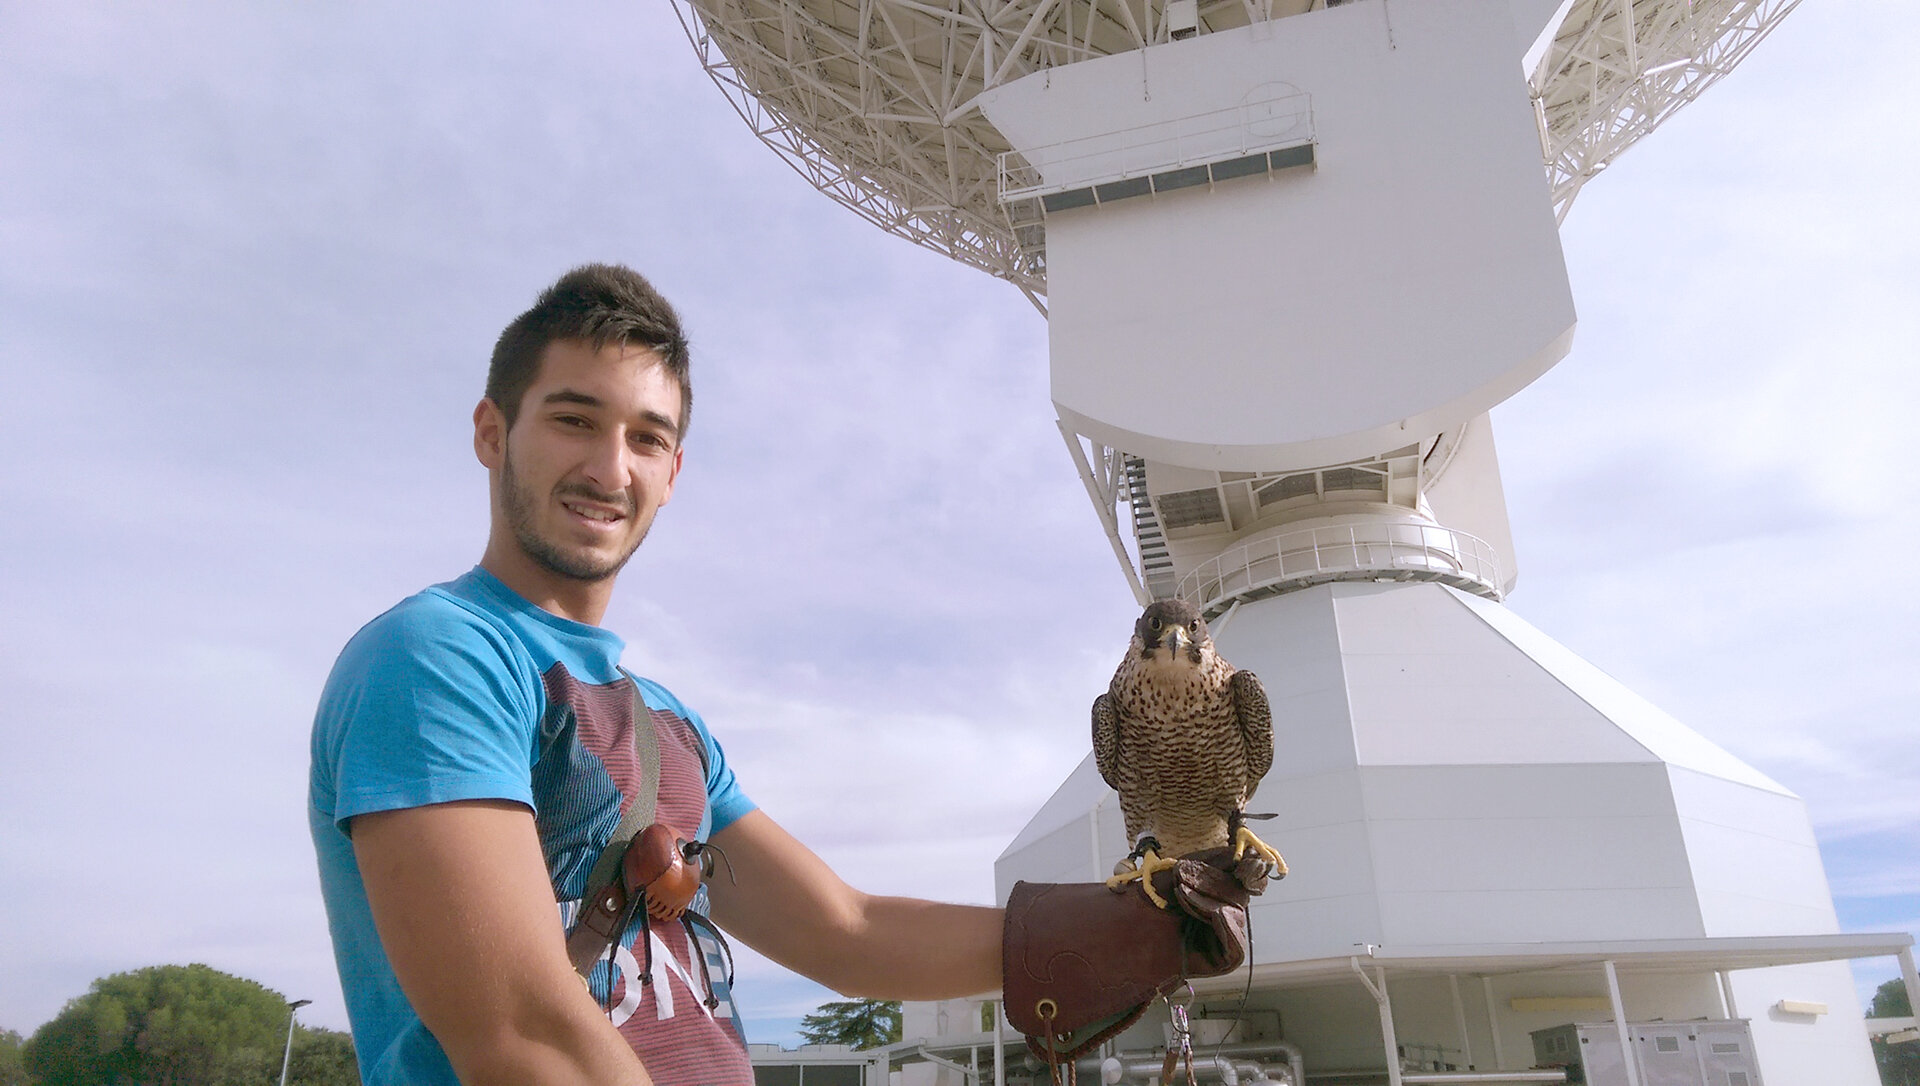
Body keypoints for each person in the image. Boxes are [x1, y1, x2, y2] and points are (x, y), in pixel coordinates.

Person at [309, 264, 1002, 1086]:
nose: (611, 469)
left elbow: (846, 933)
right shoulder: (437, 656)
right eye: (574, 419)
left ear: (673, 472)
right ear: (492, 433)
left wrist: (1121, 928)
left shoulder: (667, 719)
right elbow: (525, 1037)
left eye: (647, 437)